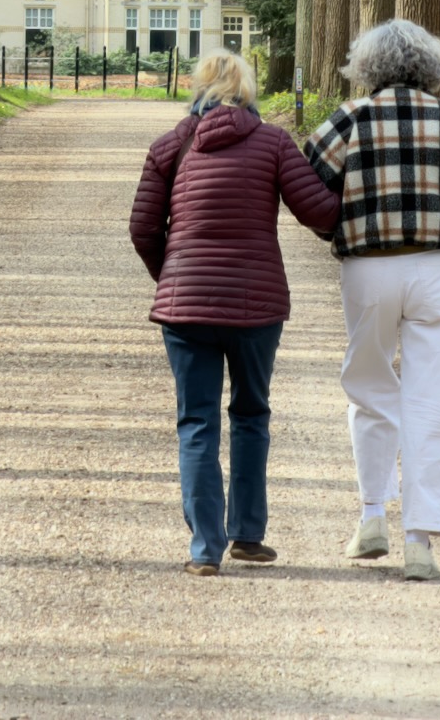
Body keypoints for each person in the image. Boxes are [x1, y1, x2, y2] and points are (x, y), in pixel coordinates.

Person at [302, 19, 440, 581]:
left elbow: (305, 187)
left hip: (367, 270)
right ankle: (420, 538)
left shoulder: (346, 122)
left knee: (371, 387)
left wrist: (341, 228)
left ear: (367, 69)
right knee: (439, 399)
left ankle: (372, 515)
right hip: (436, 270)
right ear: (432, 68)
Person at [129, 50, 339, 576]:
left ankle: (205, 549)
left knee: (195, 422)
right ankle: (247, 535)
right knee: (250, 416)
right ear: (249, 92)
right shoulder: (272, 143)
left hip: (186, 308)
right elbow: (320, 211)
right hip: (256, 307)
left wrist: (173, 278)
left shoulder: (170, 145)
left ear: (196, 90)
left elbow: (142, 229)